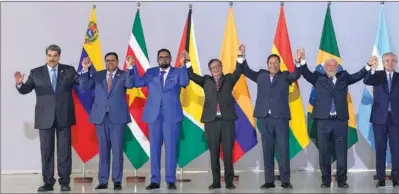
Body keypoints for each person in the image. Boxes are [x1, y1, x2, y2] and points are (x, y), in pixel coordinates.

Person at [299, 56, 372, 188]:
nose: (332, 68)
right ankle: (325, 181)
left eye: (334, 66)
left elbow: (357, 76)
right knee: (324, 152)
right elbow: (305, 73)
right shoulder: (317, 77)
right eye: (329, 66)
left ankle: (342, 181)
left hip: (340, 121)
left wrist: (368, 65)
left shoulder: (344, 77)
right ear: (324, 68)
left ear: (337, 67)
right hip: (323, 121)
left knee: (341, 152)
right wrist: (301, 60)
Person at [14, 44, 80, 192]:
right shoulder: (36, 73)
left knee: (64, 151)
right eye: (49, 56)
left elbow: (82, 83)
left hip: (64, 115)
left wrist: (87, 70)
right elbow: (26, 89)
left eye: (55, 56)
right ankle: (48, 182)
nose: (52, 59)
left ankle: (64, 182)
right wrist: (19, 84)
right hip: (45, 117)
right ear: (46, 56)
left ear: (59, 57)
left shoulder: (69, 71)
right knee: (46, 151)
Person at [237, 44, 301, 189]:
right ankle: (269, 181)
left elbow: (296, 74)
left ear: (279, 64)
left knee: (283, 150)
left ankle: (285, 180)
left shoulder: (285, 76)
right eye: (270, 63)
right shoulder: (261, 75)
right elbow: (245, 70)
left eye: (276, 63)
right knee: (267, 150)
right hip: (264, 119)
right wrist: (241, 56)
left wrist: (297, 61)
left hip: (280, 120)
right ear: (267, 65)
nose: (273, 65)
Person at [128, 48, 189, 190]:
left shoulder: (178, 71)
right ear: (157, 59)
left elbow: (185, 82)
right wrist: (132, 66)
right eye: (161, 57)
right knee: (154, 148)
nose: (164, 59)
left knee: (171, 149)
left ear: (171, 59)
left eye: (166, 57)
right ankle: (155, 180)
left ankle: (171, 180)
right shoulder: (151, 72)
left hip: (171, 116)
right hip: (153, 115)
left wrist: (184, 64)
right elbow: (138, 83)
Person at [184, 51, 243, 190]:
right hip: (211, 122)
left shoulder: (229, 79)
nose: (215, 69)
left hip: (227, 121)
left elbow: (239, 71)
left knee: (228, 152)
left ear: (221, 67)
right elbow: (191, 75)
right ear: (210, 70)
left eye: (218, 66)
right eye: (213, 67)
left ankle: (229, 182)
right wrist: (187, 61)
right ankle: (216, 181)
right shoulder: (206, 80)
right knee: (214, 152)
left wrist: (240, 56)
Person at [78, 52, 134, 190]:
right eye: (107, 60)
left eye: (113, 60)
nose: (110, 63)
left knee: (117, 150)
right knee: (103, 150)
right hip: (101, 117)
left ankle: (117, 181)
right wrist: (85, 69)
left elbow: (131, 85)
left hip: (117, 117)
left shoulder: (124, 74)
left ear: (117, 61)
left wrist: (130, 68)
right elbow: (84, 87)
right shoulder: (98, 75)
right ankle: (103, 180)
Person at [363, 53, 399, 188]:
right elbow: (367, 80)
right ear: (383, 61)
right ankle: (380, 179)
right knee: (380, 150)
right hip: (379, 119)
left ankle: (396, 179)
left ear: (396, 62)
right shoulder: (377, 75)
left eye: (392, 61)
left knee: (395, 150)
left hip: (396, 119)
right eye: (387, 60)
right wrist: (372, 68)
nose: (390, 63)